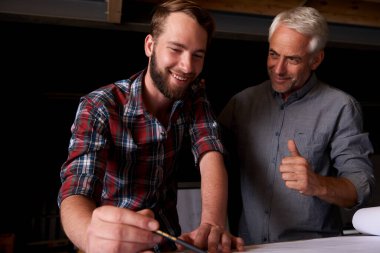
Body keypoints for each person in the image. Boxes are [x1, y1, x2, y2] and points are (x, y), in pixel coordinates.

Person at [57, 0, 244, 252]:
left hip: (167, 240)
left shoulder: (194, 95)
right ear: (150, 45)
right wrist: (89, 236)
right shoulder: (100, 105)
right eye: (176, 49)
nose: (187, 67)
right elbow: (77, 187)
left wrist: (212, 225)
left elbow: (210, 152)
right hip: (110, 243)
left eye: (197, 55)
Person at [218, 6, 375, 245]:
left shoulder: (341, 107)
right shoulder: (241, 103)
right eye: (273, 54)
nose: (279, 69)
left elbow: (360, 187)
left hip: (314, 247)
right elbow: (208, 158)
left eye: (292, 59)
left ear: (316, 60)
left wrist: (317, 184)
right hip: (250, 246)